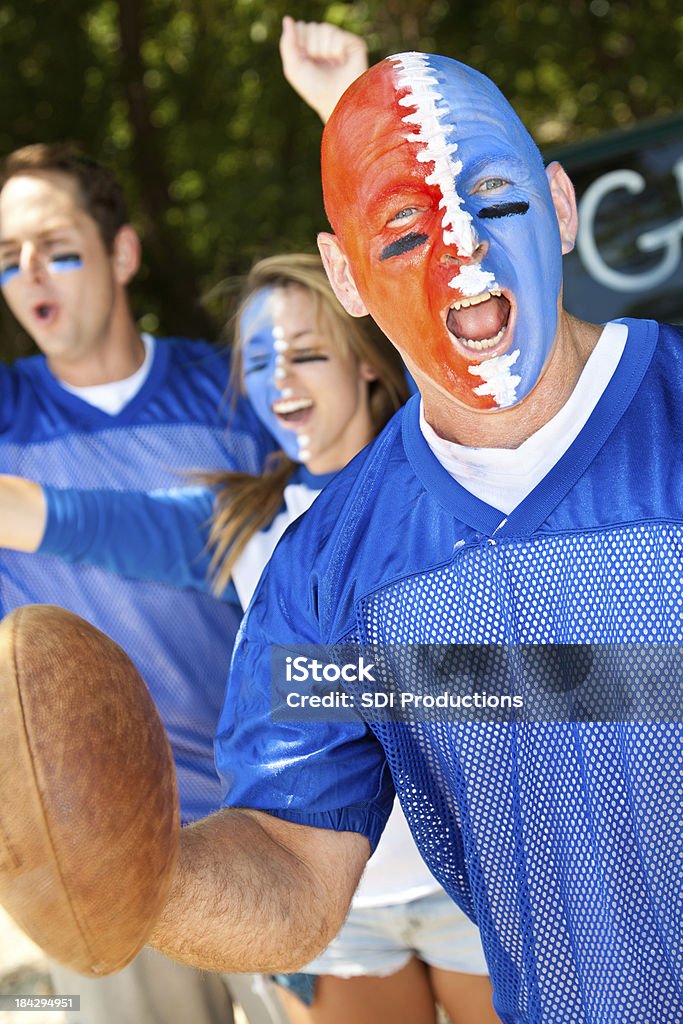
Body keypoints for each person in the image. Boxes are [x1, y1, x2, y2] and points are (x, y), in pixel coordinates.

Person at [100, 51, 683, 1024]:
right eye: (406, 231)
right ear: (346, 274)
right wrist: (128, 872)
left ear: (560, 205)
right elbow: (293, 858)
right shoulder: (327, 566)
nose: (465, 254)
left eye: (494, 203)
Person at [0, 252, 498, 1024]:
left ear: (366, 362)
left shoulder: (458, 489)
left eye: (306, 354)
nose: (280, 383)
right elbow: (60, 516)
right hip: (333, 903)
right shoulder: (239, 521)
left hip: (473, 875)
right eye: (258, 363)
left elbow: (553, 681)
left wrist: (308, 684)